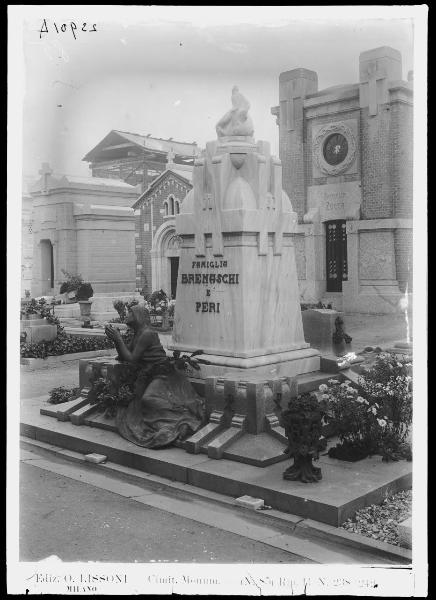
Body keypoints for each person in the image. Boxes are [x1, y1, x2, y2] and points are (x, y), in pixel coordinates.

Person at [104, 304, 205, 448]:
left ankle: (180, 416)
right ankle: (164, 421)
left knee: (147, 399)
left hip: (163, 374)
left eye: (130, 313)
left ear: (138, 316)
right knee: (136, 404)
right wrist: (116, 340)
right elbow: (124, 356)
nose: (127, 315)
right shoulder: (138, 334)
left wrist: (118, 339)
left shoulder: (147, 334)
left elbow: (132, 358)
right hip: (149, 374)